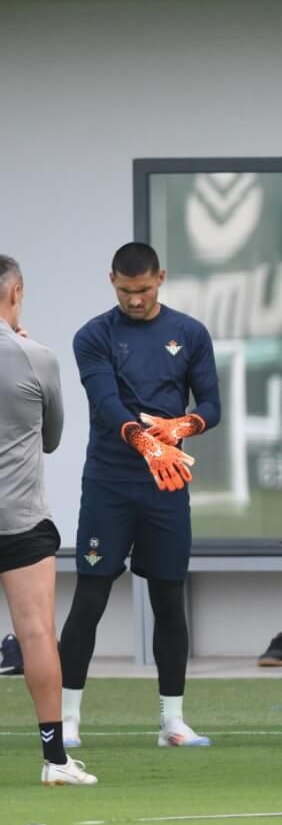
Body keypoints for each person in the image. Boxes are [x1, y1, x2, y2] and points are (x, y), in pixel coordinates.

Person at [59, 242, 220, 749]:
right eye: (127, 290)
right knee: (90, 597)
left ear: (161, 279)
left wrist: (183, 426)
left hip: (166, 485)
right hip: (108, 484)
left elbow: (212, 404)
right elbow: (105, 401)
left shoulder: (190, 333)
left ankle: (172, 722)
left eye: (144, 289)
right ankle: (67, 719)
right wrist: (144, 440)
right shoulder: (92, 336)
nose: (135, 299)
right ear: (112, 281)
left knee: (169, 599)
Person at [0, 256, 96, 784]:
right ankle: (55, 760)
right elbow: (52, 438)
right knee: (37, 634)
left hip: (22, 519)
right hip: (21, 519)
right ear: (16, 291)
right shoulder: (37, 357)